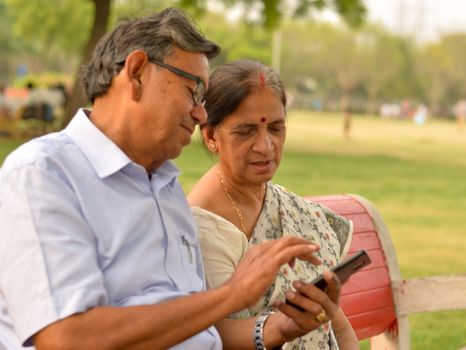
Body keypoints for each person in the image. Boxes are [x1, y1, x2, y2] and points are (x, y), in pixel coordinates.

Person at [0, 9, 345, 350]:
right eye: (193, 91)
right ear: (136, 73)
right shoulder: (44, 175)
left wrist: (277, 328)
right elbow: (68, 338)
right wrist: (232, 294)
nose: (201, 113)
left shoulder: (164, 188)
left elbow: (195, 331)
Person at [187, 60, 359, 350]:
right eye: (246, 131)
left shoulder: (287, 205)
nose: (265, 146)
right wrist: (278, 328)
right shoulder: (202, 226)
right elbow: (210, 336)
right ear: (211, 136)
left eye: (276, 129)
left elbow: (336, 325)